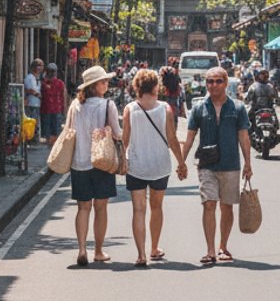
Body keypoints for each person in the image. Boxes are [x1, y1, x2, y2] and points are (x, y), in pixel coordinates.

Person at [183, 66, 252, 265]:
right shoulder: (198, 108)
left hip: (231, 164)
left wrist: (248, 163)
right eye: (210, 81)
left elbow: (244, 137)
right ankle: (210, 250)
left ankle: (223, 246)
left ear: (226, 83)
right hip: (207, 164)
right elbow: (189, 137)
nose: (213, 85)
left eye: (218, 81)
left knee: (227, 206)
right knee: (209, 204)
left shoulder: (238, 108)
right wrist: (182, 161)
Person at [121, 69, 188, 266]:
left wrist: (122, 161)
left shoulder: (130, 109)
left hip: (136, 165)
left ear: (137, 87)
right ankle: (154, 248)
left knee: (138, 210)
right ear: (155, 86)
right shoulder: (165, 108)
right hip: (159, 164)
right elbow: (172, 138)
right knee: (157, 207)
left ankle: (141, 254)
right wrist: (181, 162)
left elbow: (125, 140)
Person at [70, 65, 121, 266]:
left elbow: (70, 131)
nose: (106, 84)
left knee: (83, 207)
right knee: (101, 207)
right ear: (93, 86)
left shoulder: (75, 105)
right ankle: (98, 251)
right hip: (102, 161)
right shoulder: (107, 105)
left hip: (79, 161)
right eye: (103, 81)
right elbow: (117, 133)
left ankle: (82, 249)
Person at [40, 63, 67, 145]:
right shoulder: (43, 83)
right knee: (47, 129)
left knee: (56, 129)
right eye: (50, 71)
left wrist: (64, 109)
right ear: (47, 72)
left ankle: (54, 144)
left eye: (53, 71)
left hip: (56, 109)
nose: (52, 73)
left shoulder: (60, 83)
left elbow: (63, 97)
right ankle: (49, 142)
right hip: (46, 109)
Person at [23, 59, 43, 126]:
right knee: (31, 124)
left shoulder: (38, 78)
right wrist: (38, 95)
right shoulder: (29, 77)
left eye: (41, 66)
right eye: (38, 65)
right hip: (31, 105)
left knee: (36, 124)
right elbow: (29, 90)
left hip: (37, 104)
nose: (40, 68)